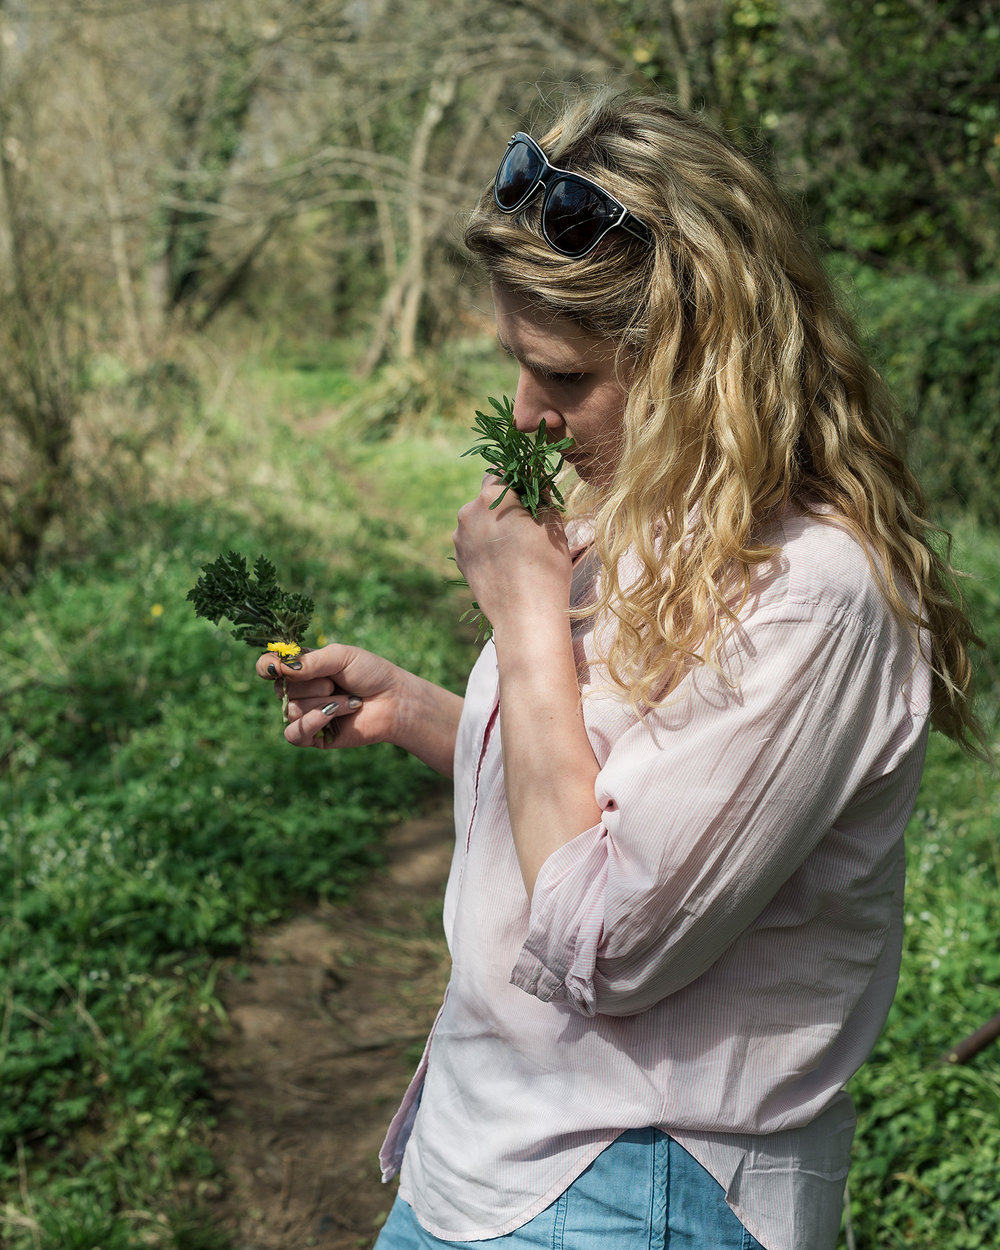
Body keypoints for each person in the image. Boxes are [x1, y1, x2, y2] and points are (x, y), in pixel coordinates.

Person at [256, 89, 986, 1250]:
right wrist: (425, 712)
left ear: (705, 364)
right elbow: (601, 799)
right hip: (501, 1155)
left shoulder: (814, 595)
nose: (527, 414)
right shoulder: (639, 525)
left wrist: (527, 625)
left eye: (566, 376)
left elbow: (606, 942)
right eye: (518, 364)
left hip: (637, 1186)